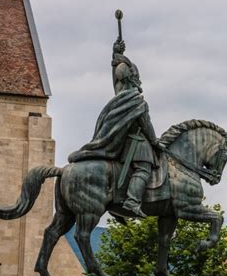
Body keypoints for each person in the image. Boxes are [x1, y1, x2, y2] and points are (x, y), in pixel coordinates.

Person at [68, 39, 161, 218]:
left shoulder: (120, 97)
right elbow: (146, 126)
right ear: (133, 78)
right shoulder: (136, 101)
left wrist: (115, 55)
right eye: (136, 76)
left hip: (122, 146)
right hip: (138, 145)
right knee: (143, 169)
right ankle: (132, 201)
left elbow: (116, 80)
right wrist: (155, 142)